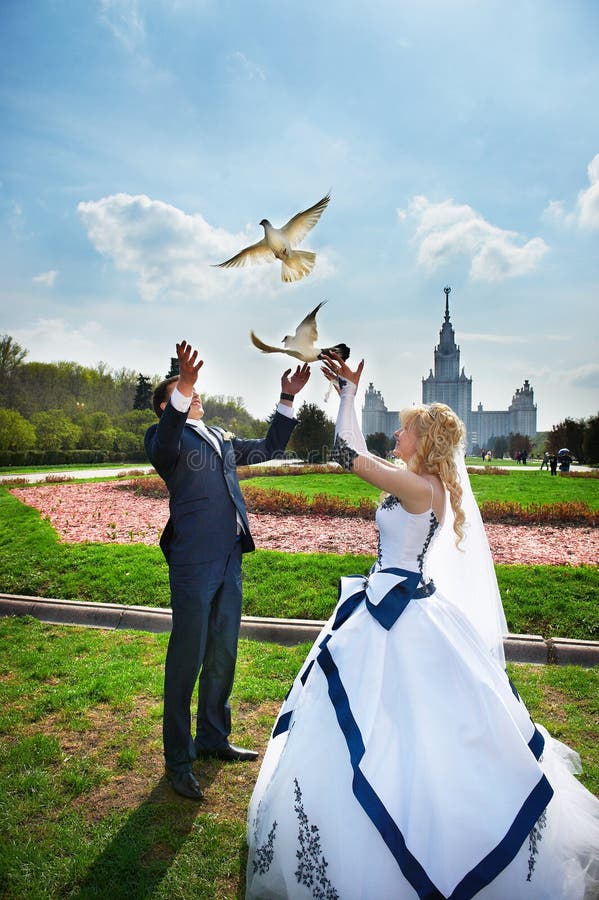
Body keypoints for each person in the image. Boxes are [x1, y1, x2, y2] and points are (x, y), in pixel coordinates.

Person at [245, 352, 599, 899]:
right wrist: (352, 391)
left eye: (406, 430)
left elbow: (349, 456)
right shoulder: (418, 481)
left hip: (399, 611)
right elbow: (362, 453)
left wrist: (346, 394)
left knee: (399, 727)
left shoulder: (419, 487)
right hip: (389, 602)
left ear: (423, 440)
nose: (399, 435)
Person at [145, 340, 310, 801]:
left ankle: (213, 737)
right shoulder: (163, 440)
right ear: (167, 404)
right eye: (181, 391)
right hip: (193, 564)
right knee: (186, 659)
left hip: (230, 559)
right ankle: (179, 761)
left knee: (222, 652)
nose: (193, 393)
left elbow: (269, 447)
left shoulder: (219, 436)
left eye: (194, 389)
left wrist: (287, 398)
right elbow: (167, 442)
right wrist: (183, 388)